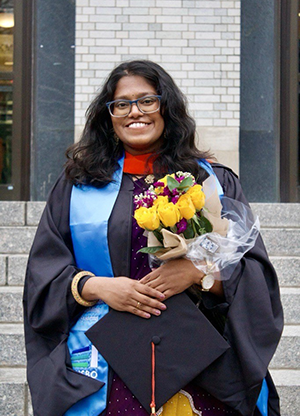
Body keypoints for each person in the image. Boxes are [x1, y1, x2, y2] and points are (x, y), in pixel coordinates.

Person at [23, 60, 283, 416]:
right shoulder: (79, 185)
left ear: (167, 108)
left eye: (147, 100)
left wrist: (200, 274)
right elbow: (44, 275)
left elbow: (255, 274)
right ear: (109, 116)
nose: (135, 112)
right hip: (107, 358)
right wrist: (99, 287)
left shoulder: (210, 181)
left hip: (197, 357)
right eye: (122, 104)